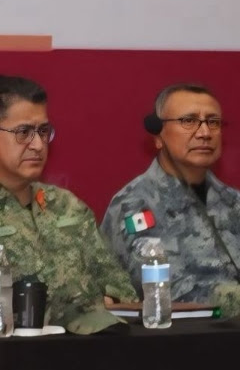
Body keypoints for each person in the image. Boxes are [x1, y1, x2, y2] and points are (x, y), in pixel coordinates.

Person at [0, 75, 137, 334]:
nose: (37, 145)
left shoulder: (67, 206)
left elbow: (122, 294)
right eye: (23, 133)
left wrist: (106, 304)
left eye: (43, 132)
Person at [100, 83, 240, 315]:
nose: (205, 133)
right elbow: (164, 291)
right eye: (189, 121)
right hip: (174, 334)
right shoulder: (133, 206)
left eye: (213, 122)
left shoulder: (234, 202)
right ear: (158, 137)